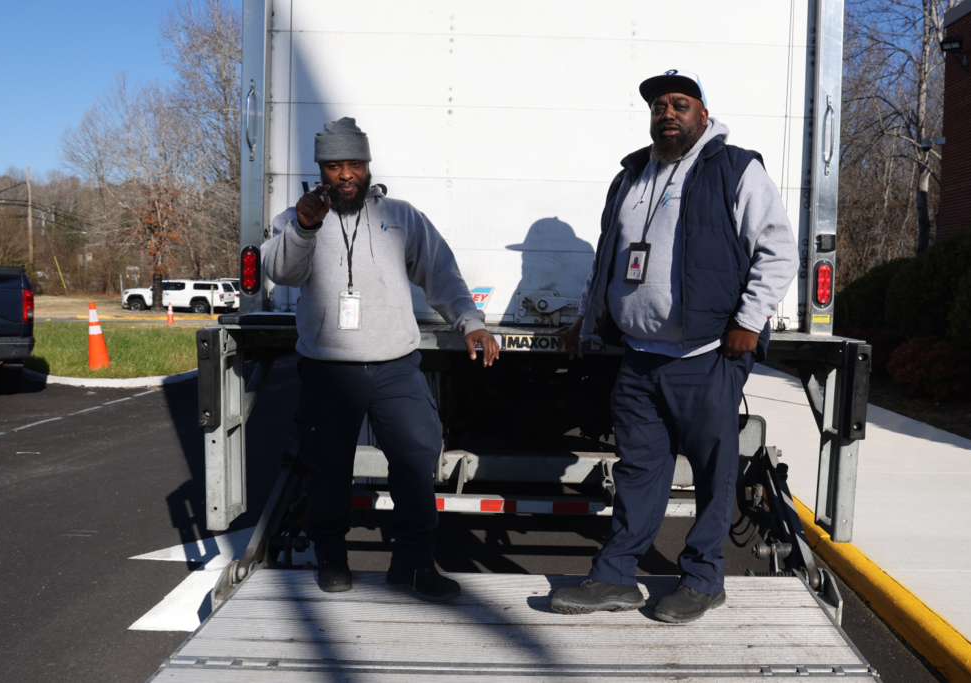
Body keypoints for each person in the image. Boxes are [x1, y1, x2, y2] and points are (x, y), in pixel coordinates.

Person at [550, 70, 797, 622]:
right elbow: (609, 256)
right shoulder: (633, 175)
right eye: (659, 105)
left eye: (679, 104)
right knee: (638, 468)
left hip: (706, 355)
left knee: (714, 472)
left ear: (703, 115)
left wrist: (750, 320)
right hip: (640, 358)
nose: (667, 113)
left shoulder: (735, 168)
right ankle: (615, 576)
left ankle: (704, 579)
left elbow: (778, 251)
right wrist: (588, 319)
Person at [262, 118, 500, 601]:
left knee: (415, 458)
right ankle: (330, 555)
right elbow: (281, 273)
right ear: (321, 169)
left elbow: (442, 275)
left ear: (368, 166)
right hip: (329, 367)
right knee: (327, 466)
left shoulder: (401, 216)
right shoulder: (295, 218)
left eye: (354, 164)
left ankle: (412, 565)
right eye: (334, 165)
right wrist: (306, 229)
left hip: (395, 364)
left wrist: (470, 321)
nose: (345, 174)